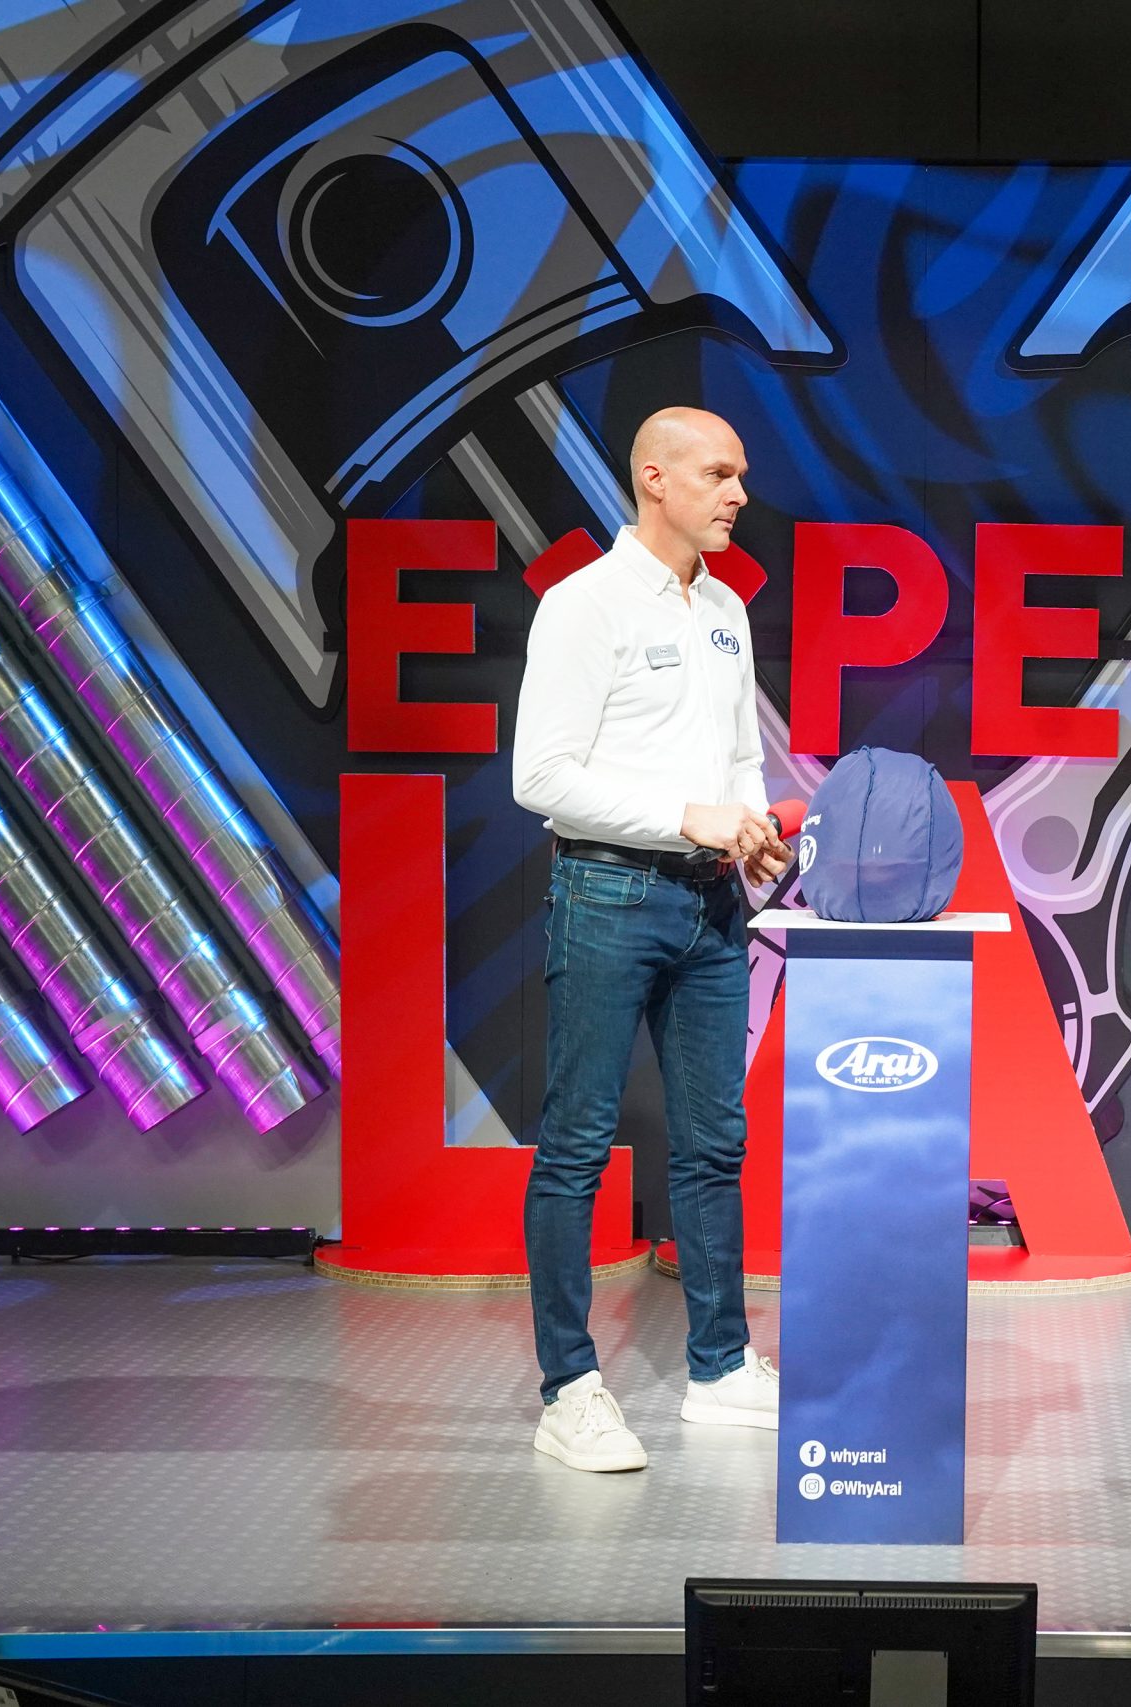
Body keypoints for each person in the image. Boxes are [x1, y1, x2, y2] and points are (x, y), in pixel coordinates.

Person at [510, 406, 792, 1473]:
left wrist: (747, 828)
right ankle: (570, 1390)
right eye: (719, 474)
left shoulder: (725, 609)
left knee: (715, 1142)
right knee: (576, 1144)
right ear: (654, 479)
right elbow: (542, 778)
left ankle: (719, 1366)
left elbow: (738, 758)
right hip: (607, 896)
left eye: (740, 474)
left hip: (712, 904)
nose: (739, 494)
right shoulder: (583, 604)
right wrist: (687, 817)